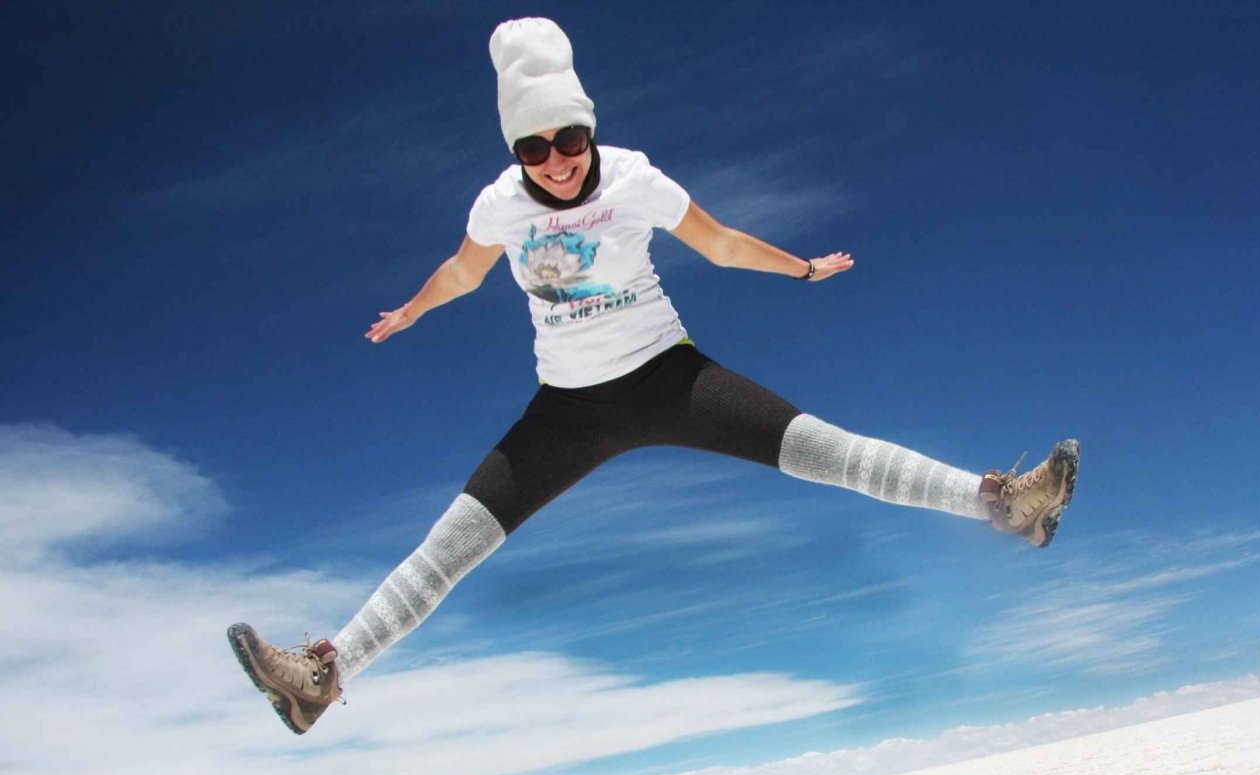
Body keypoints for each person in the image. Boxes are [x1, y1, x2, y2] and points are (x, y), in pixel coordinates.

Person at [228, 18, 1079, 736]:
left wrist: (803, 270)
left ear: (587, 129)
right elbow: (460, 272)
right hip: (565, 410)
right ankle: (319, 681)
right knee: (452, 544)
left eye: (568, 138)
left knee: (827, 450)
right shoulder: (499, 206)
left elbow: (720, 242)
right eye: (534, 146)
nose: (555, 160)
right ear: (515, 150)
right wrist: (414, 309)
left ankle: (1005, 504)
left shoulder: (633, 179)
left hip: (669, 380)